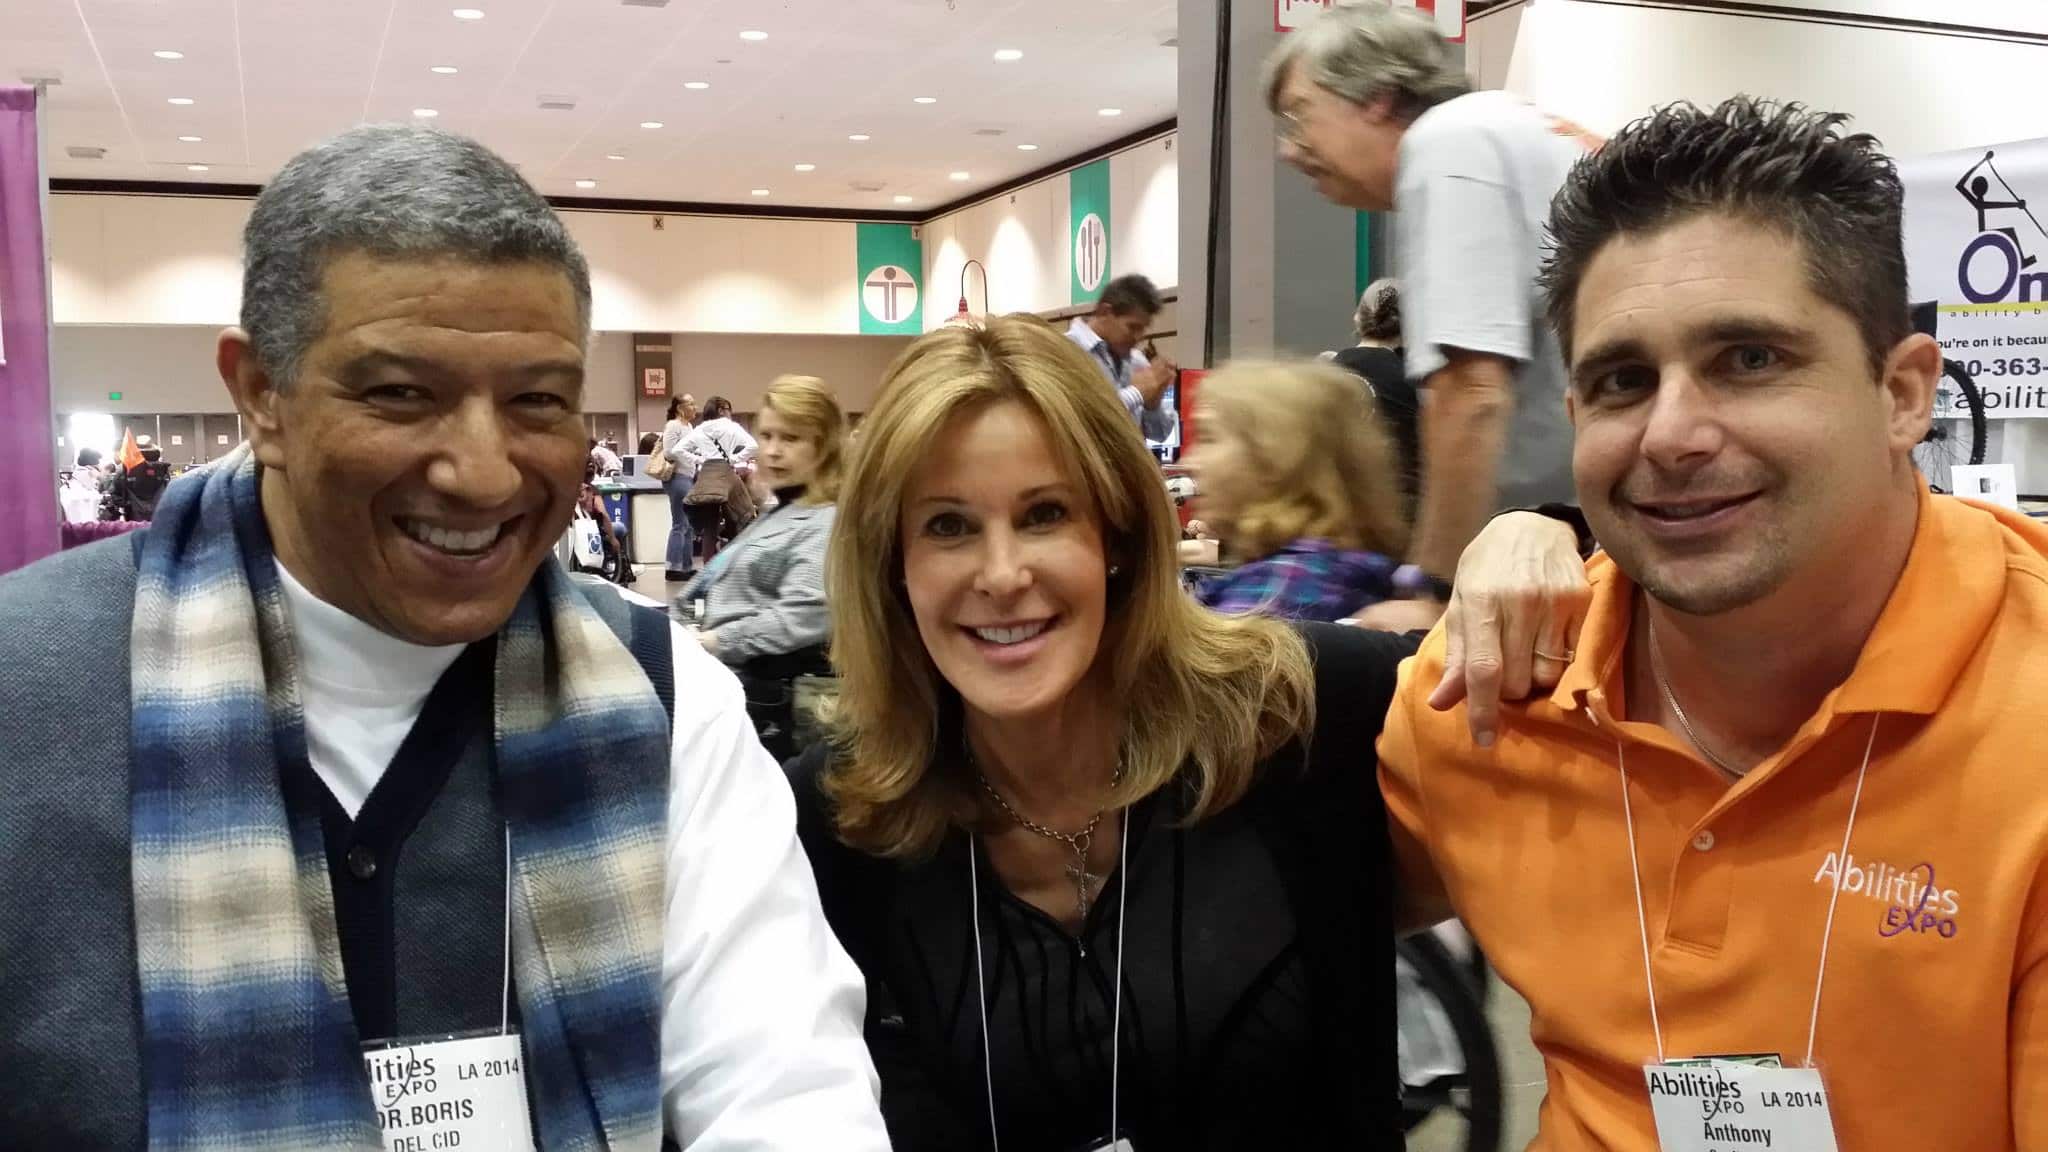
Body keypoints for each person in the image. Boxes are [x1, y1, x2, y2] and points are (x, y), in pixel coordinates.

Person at [0, 124, 886, 1149]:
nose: (483, 473)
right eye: (400, 394)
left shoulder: (659, 698)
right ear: (260, 395)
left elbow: (784, 1094)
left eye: (536, 401)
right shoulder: (30, 689)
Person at [1379, 98, 2048, 1150]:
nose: (1671, 434)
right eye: (1620, 380)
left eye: (1748, 359)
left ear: (1902, 394)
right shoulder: (1486, 698)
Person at [789, 315, 1418, 1149]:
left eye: (1045, 513)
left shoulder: (1300, 715)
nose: (1004, 574)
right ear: (891, 567)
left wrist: (1536, 538)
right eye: (948, 526)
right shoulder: (832, 824)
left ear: (1115, 534)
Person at [1266, 1, 1584, 626]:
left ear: (1379, 98)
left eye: (1301, 114)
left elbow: (1471, 393)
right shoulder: (1500, 128)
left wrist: (1436, 598)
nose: (1289, 150)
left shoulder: (1448, 142)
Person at [680, 375, 844, 758]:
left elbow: (806, 613)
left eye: (790, 438)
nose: (772, 451)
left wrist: (714, 641)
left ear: (823, 446)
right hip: (728, 691)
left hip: (769, 710)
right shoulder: (778, 514)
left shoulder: (826, 520)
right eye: (767, 436)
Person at [1182, 360, 1406, 621]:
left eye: (1209, 438)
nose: (1190, 463)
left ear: (1276, 460)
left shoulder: (1275, 593)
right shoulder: (1339, 570)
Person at [1332, 278, 1420, 518]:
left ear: (1357, 318)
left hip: (1337, 512)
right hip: (1400, 515)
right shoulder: (1417, 381)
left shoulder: (1323, 373)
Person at [1063, 273, 1179, 443]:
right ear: (1104, 312)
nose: (1139, 337)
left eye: (1143, 329)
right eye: (1132, 327)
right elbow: (1079, 423)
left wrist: (1152, 404)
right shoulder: (1065, 351)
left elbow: (1160, 435)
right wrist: (1136, 393)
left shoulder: (1137, 361)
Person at [678, 395, 760, 559]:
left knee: (709, 528)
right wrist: (733, 459)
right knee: (741, 515)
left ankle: (708, 568)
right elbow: (753, 447)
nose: (730, 413)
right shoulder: (731, 426)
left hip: (706, 476)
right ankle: (734, 561)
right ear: (721, 410)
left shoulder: (700, 428)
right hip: (726, 474)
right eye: (729, 409)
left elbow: (678, 450)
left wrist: (700, 460)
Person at [659, 392, 700, 581]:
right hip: (677, 477)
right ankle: (673, 567)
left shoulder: (689, 427)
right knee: (680, 523)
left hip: (689, 476)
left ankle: (685, 565)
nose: (694, 407)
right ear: (679, 408)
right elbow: (668, 452)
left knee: (688, 525)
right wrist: (690, 454)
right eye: (690, 404)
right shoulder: (673, 425)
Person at [118, 435, 171, 521]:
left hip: (133, 517)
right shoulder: (162, 468)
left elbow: (116, 492)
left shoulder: (126, 468)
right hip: (157, 516)